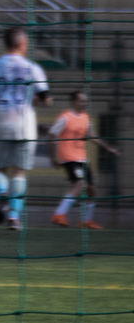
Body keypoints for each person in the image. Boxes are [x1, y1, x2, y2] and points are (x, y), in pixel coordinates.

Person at [0, 26, 50, 231]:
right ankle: (14, 216)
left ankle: (1, 193)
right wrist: (32, 100)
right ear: (21, 44)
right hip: (25, 126)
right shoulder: (33, 68)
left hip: (1, 123)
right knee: (19, 172)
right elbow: (46, 99)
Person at [49, 89, 117, 231]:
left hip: (82, 159)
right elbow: (50, 136)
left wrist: (108, 148)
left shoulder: (85, 117)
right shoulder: (65, 117)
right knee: (80, 185)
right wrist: (53, 157)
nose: (83, 103)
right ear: (73, 102)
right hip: (68, 157)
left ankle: (85, 221)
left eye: (85, 101)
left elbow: (92, 136)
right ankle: (59, 214)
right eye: (81, 100)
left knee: (91, 189)